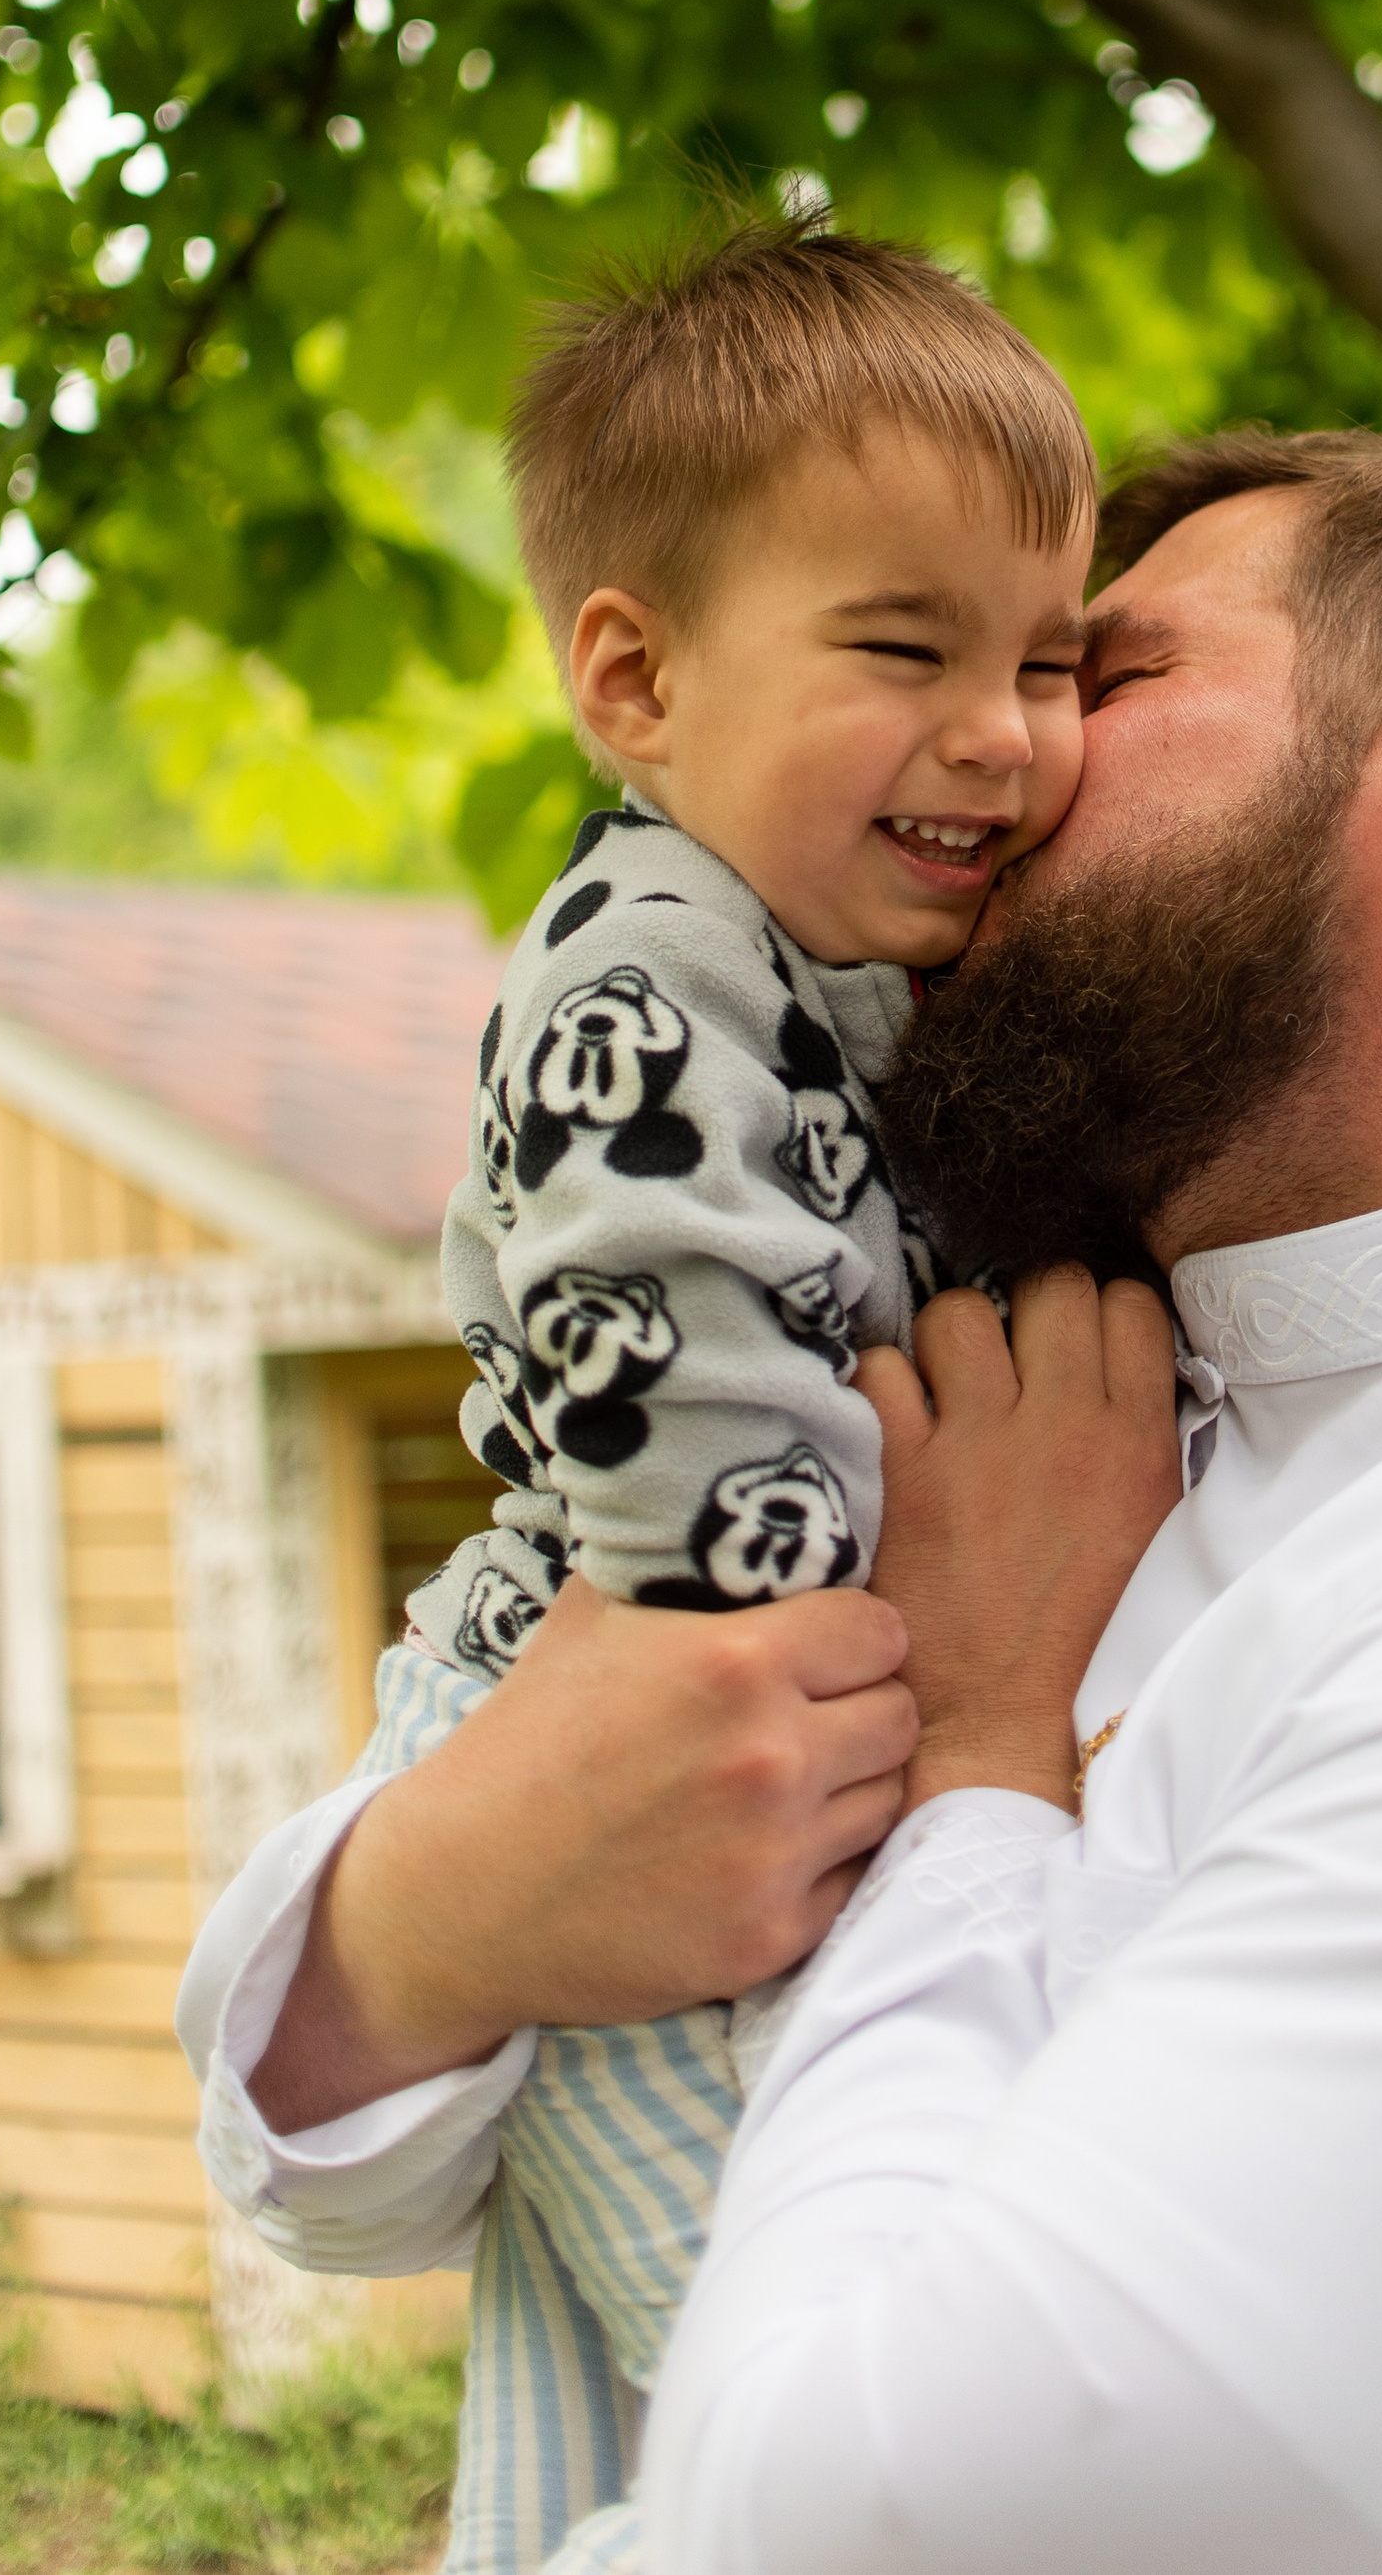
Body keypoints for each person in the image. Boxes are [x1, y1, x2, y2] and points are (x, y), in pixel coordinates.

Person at [182, 432, 1382, 2575]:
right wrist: (436, 1910)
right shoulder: (1056, 1399)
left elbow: (853, 2533)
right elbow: (329, 2177)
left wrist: (985, 1765)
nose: (1001, 766)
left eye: (1108, 673)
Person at [255, 215, 1095, 2553]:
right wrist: (870, 1608)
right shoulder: (646, 967)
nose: (1000, 729)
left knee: (621, 2408)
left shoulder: (833, 961)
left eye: (1045, 655)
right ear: (629, 675)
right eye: (902, 644)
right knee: (779, 2387)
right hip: (636, 1672)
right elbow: (659, 1327)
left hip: (722, 1704)